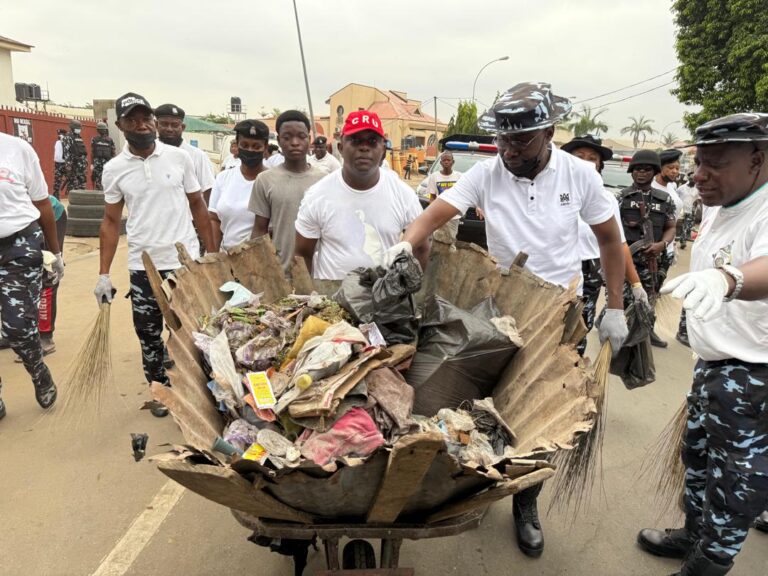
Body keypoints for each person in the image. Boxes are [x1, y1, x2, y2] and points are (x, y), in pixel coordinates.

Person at [398, 83, 628, 560]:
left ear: (548, 133)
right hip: (502, 311)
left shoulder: (579, 175)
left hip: (562, 314)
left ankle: (526, 503)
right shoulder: (486, 173)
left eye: (520, 140)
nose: (508, 150)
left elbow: (609, 239)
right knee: (490, 402)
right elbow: (434, 217)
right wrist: (407, 242)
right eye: (502, 139)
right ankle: (478, 480)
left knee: (543, 409)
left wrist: (618, 306)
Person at [637, 112, 768, 576]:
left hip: (753, 373)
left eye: (716, 164)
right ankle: (694, 535)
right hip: (713, 364)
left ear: (758, 159)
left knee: (736, 480)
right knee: (696, 455)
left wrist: (727, 278)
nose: (700, 175)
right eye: (700, 163)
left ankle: (709, 566)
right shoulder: (721, 202)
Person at [94, 92, 214, 418]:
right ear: (120, 125)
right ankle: (159, 387)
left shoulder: (179, 159)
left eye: (145, 118)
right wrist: (103, 274)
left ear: (154, 122)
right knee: (148, 332)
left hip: (182, 262)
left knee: (191, 329)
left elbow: (198, 206)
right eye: (132, 120)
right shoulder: (114, 169)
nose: (141, 125)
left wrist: (211, 253)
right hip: (143, 266)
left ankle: (197, 386)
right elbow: (110, 221)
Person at [294, 110, 428, 280]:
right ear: (341, 148)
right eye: (356, 141)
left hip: (384, 301)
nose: (364, 147)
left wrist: (407, 293)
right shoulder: (317, 195)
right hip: (331, 300)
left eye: (372, 141)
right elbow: (302, 254)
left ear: (383, 150)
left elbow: (421, 248)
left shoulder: (404, 195)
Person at [560, 134, 648, 356]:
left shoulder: (605, 200)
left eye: (592, 158)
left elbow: (618, 245)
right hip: (553, 274)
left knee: (575, 338)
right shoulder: (550, 191)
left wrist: (636, 284)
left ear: (599, 165)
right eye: (579, 157)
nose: (586, 162)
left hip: (588, 275)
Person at [0, 132, 64, 418]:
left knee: (17, 326)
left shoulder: (16, 149)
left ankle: (38, 370)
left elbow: (42, 203)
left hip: (18, 243)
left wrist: (56, 253)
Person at [250, 111, 326, 272]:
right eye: (287, 137)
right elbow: (259, 230)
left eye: (301, 136)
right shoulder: (265, 180)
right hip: (281, 275)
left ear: (309, 139)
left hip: (319, 275)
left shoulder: (325, 181)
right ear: (278, 141)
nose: (295, 142)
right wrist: (257, 270)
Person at [618, 149, 677, 348]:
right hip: (627, 260)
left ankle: (647, 331)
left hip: (654, 260)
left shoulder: (664, 199)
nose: (641, 173)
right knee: (623, 297)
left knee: (651, 297)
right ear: (631, 172)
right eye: (637, 169)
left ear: (654, 172)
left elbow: (671, 227)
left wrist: (662, 244)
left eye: (646, 169)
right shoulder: (621, 198)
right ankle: (617, 331)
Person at [209, 119, 270, 251]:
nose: (250, 150)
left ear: (265, 148)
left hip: (263, 261)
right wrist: (213, 255)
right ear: (237, 145)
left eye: (256, 146)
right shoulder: (223, 178)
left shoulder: (273, 181)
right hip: (226, 260)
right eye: (245, 145)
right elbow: (214, 219)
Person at [155, 103, 216, 204]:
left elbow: (208, 190)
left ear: (182, 127)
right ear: (156, 125)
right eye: (165, 124)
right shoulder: (148, 155)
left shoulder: (197, 156)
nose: (169, 129)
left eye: (175, 125)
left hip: (189, 219)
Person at [424, 150, 462, 241]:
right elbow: (432, 197)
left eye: (448, 160)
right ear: (440, 162)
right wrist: (433, 212)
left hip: (453, 216)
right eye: (444, 160)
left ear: (453, 162)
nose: (446, 162)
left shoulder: (459, 176)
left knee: (451, 240)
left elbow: (464, 195)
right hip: (439, 215)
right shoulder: (434, 176)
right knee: (437, 239)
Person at [62, 119, 88, 192]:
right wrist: (68, 165)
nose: (79, 129)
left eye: (80, 128)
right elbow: (66, 152)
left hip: (82, 165)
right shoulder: (68, 137)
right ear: (72, 127)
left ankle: (82, 201)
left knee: (82, 184)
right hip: (74, 165)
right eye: (78, 128)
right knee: (74, 185)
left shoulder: (78, 137)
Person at [90, 121, 116, 191]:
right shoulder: (110, 140)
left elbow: (92, 152)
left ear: (97, 130)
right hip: (107, 163)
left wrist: (92, 163)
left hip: (100, 163)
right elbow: (113, 153)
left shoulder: (94, 139)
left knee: (100, 181)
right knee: (105, 180)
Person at [53, 128, 66, 198]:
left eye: (60, 134)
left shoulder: (66, 141)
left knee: (70, 180)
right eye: (58, 134)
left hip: (65, 163)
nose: (59, 135)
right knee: (57, 181)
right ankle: (56, 197)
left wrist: (63, 139)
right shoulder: (57, 142)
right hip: (58, 164)